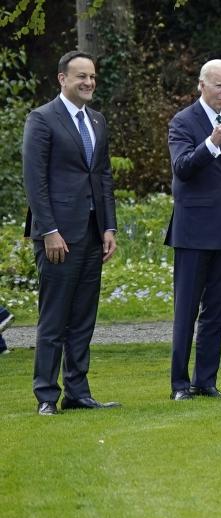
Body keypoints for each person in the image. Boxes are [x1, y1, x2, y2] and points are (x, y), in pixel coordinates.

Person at [22, 51, 120, 416]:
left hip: (92, 234)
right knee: (54, 319)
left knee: (82, 319)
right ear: (62, 79)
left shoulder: (97, 120)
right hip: (58, 237)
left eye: (92, 76)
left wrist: (109, 226)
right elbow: (35, 180)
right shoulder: (42, 118)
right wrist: (49, 230)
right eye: (81, 76)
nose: (89, 82)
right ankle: (46, 395)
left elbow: (103, 177)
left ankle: (77, 392)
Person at [165, 59, 221, 401]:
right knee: (186, 312)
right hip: (192, 234)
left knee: (216, 313)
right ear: (201, 85)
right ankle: (179, 384)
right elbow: (182, 168)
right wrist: (211, 144)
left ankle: (205, 381)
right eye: (219, 85)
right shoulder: (183, 121)